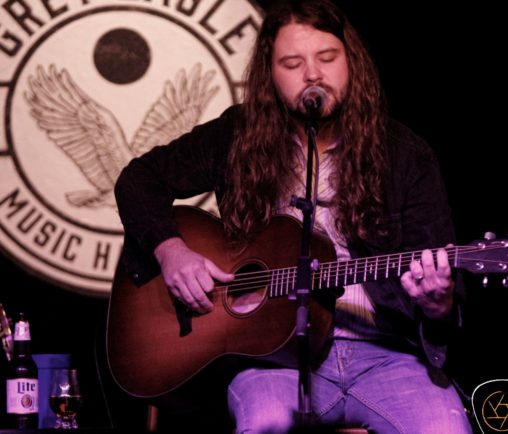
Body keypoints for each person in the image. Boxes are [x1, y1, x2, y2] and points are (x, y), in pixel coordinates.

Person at [114, 0, 473, 432]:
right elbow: (138, 180)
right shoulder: (237, 136)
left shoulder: (405, 156)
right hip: (272, 362)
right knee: (265, 423)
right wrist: (171, 251)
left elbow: (440, 293)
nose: (313, 74)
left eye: (327, 58)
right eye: (292, 63)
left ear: (351, 62)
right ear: (271, 75)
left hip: (385, 356)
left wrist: (438, 304)